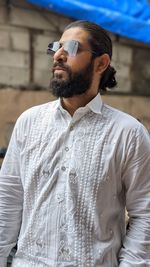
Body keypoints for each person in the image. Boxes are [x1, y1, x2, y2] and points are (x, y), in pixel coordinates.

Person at [0, 20, 150, 267]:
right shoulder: (29, 122)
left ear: (101, 63)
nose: (58, 55)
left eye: (71, 48)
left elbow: (145, 215)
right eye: (56, 47)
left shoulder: (128, 134)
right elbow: (8, 199)